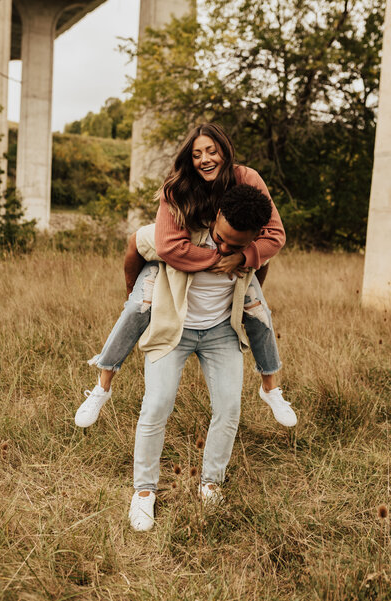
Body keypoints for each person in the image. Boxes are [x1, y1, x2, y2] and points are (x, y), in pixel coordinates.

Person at [75, 123, 295, 431]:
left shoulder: (247, 178)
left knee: (257, 306)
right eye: (197, 154)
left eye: (211, 151)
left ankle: (270, 388)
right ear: (189, 160)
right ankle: (102, 385)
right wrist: (219, 259)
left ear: (225, 151)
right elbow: (167, 247)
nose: (205, 159)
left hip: (226, 248)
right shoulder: (178, 185)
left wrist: (242, 259)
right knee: (139, 302)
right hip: (177, 244)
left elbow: (275, 235)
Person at [128, 184, 295, 531]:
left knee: (229, 408)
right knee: (157, 403)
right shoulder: (177, 234)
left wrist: (247, 257)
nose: (225, 249)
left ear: (253, 238)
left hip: (221, 333)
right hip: (173, 328)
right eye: (222, 239)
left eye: (237, 245)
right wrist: (131, 297)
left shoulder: (251, 250)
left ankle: (211, 483)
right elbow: (135, 246)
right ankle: (144, 492)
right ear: (217, 216)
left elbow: (258, 274)